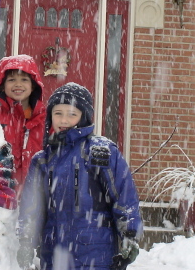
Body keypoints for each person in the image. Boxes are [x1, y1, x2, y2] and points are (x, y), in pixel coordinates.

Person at [17, 82, 143, 270]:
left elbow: (123, 197)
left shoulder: (101, 152)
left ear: (83, 117)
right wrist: (26, 240)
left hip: (95, 253)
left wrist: (129, 235)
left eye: (72, 114)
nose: (64, 120)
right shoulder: (43, 160)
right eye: (58, 113)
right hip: (53, 254)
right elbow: (32, 207)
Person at [0, 55, 45, 197]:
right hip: (1, 193)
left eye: (24, 80)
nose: (18, 84)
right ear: (2, 85)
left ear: (33, 85)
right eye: (11, 80)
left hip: (36, 195)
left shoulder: (45, 119)